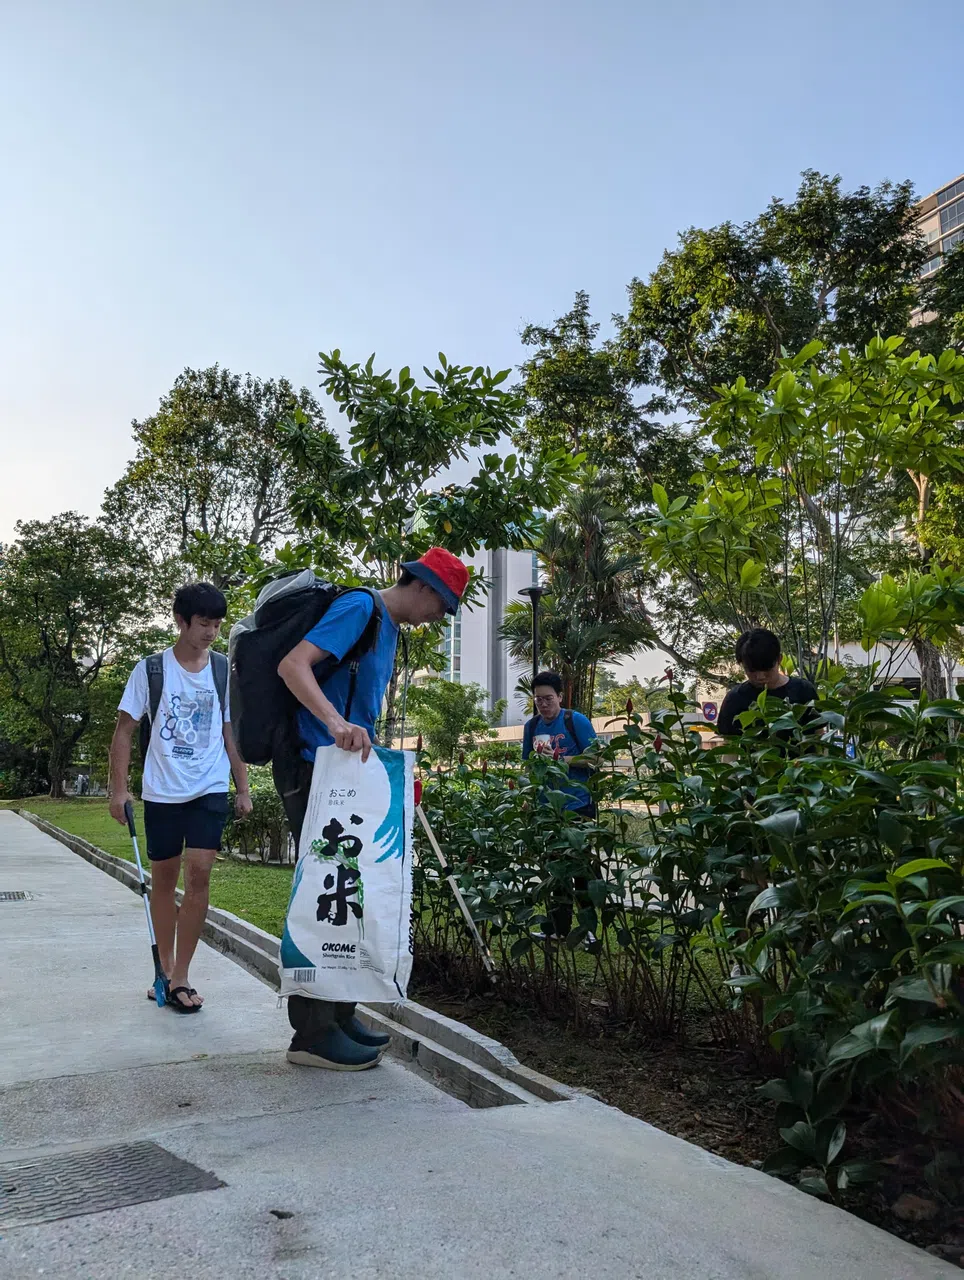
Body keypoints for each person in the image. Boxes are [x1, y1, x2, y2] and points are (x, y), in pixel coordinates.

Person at [277, 547, 469, 1072]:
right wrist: (336, 723)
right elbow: (293, 666)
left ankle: (338, 1014)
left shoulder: (387, 627)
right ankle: (311, 1033)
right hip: (314, 771)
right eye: (444, 607)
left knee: (350, 893)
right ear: (425, 587)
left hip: (346, 778)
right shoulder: (361, 608)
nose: (439, 619)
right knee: (328, 895)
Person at [109, 582, 253, 1012]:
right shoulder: (150, 670)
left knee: (200, 877)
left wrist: (242, 786)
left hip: (209, 787)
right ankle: (165, 971)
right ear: (181, 621)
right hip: (163, 791)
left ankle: (183, 976)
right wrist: (118, 790)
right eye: (203, 624)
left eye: (216, 624)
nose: (211, 632)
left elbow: (231, 732)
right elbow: (124, 731)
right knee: (164, 880)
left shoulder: (222, 670)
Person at [522, 670, 598, 938]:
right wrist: (529, 796)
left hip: (578, 805)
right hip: (548, 809)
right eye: (538, 700)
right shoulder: (531, 727)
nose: (543, 704)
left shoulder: (574, 720)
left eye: (548, 699)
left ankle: (589, 930)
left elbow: (596, 758)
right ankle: (559, 929)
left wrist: (562, 760)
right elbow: (528, 764)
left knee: (582, 869)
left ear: (560, 697)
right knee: (556, 870)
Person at [717, 628, 818, 737]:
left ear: (779, 659)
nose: (760, 677)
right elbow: (730, 748)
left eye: (767, 669)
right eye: (752, 670)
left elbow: (819, 739)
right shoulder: (734, 699)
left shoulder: (804, 691)